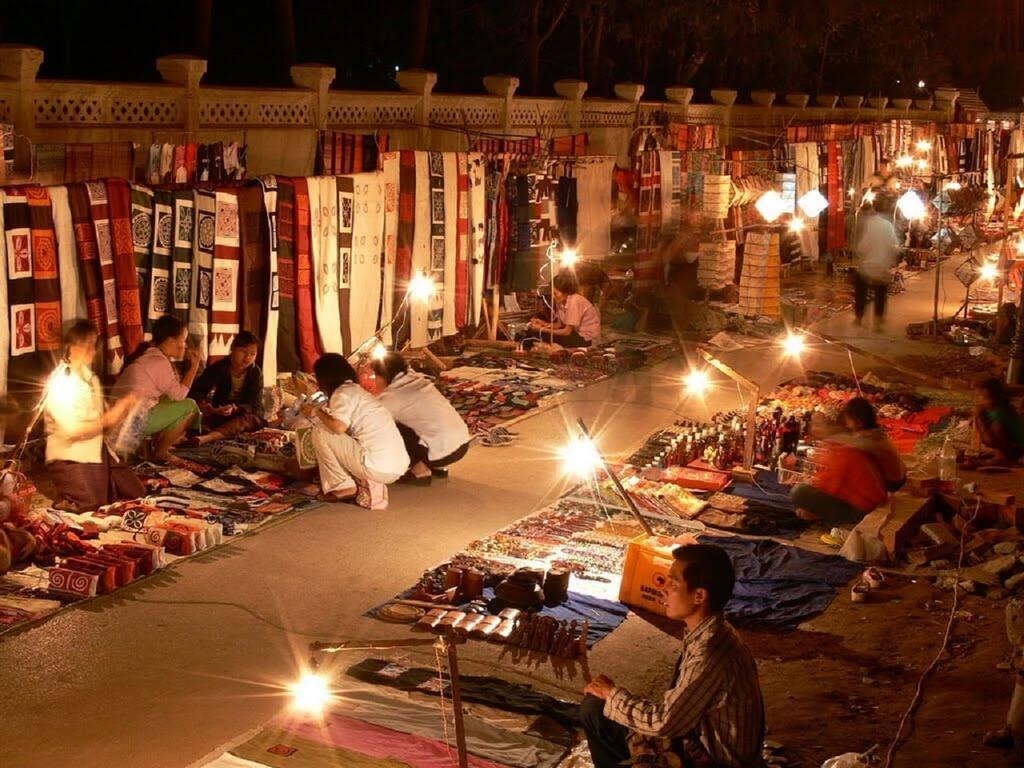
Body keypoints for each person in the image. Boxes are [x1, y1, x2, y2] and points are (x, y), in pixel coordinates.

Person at [581, 544, 764, 768]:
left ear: (699, 595)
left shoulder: (710, 653)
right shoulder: (713, 631)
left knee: (600, 708)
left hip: (713, 761)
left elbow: (664, 723)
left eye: (673, 583)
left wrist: (612, 693)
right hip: (696, 741)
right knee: (596, 707)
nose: (664, 589)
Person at [45, 320, 146, 510]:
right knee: (90, 505)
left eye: (94, 344)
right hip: (71, 454)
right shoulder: (61, 382)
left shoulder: (90, 378)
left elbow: (104, 424)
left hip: (97, 449)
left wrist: (124, 413)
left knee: (136, 495)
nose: (92, 349)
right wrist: (112, 415)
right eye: (86, 344)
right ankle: (66, 498)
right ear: (69, 347)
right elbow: (73, 432)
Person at [304, 353, 409, 502]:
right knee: (328, 427)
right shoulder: (356, 391)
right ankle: (348, 481)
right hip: (397, 467)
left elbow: (339, 427)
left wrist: (316, 411)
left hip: (378, 467)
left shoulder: (342, 393)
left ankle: (342, 486)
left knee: (320, 431)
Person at [370, 352, 471, 483]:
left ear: (383, 376)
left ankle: (420, 469)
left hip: (444, 453)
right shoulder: (416, 378)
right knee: (421, 423)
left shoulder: (392, 397)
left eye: (375, 376)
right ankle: (438, 466)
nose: (374, 380)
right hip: (462, 443)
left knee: (385, 428)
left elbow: (369, 419)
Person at [112, 315, 201, 461]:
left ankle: (156, 444)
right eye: (183, 340)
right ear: (172, 341)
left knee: (167, 398)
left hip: (119, 424)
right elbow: (180, 395)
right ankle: (161, 451)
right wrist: (194, 367)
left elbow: (172, 395)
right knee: (190, 406)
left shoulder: (149, 354)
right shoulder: (158, 362)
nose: (185, 345)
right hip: (130, 426)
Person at [790, 401, 895, 524]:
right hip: (865, 499)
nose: (813, 428)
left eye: (818, 425)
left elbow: (831, 486)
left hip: (862, 509)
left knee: (798, 492)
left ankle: (823, 516)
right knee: (802, 489)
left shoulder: (842, 447)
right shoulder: (843, 441)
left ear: (832, 427)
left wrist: (809, 486)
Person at [187, 331, 264, 446]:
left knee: (246, 421)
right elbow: (198, 391)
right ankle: (208, 433)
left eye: (252, 354)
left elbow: (254, 404)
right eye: (243, 352)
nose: (247, 358)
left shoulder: (255, 373)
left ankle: (207, 438)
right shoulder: (219, 367)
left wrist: (236, 408)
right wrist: (205, 406)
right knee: (197, 418)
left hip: (245, 414)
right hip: (221, 412)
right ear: (232, 348)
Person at [852, 201, 899, 330]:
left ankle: (859, 317)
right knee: (880, 293)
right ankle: (878, 320)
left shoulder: (867, 225)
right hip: (882, 267)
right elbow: (894, 246)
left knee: (861, 291)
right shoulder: (888, 226)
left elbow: (862, 247)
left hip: (867, 266)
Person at [529, 271, 601, 348]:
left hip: (586, 338)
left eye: (555, 293)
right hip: (574, 333)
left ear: (565, 291)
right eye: (552, 293)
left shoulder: (574, 300)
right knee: (535, 333)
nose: (553, 296)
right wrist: (543, 324)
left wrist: (541, 329)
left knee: (544, 336)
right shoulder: (560, 301)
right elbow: (560, 324)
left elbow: (567, 332)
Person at [974, 377, 1024, 464]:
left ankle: (1001, 456)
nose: (981, 401)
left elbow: (994, 439)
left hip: (1019, 450)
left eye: (984, 398)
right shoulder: (998, 408)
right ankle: (999, 453)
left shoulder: (1000, 412)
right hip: (1015, 447)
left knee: (983, 423)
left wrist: (978, 415)